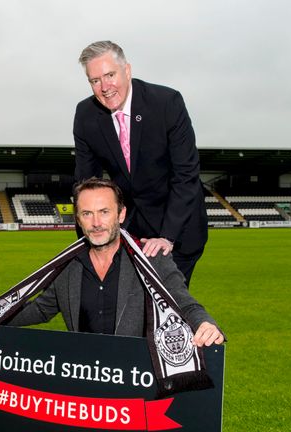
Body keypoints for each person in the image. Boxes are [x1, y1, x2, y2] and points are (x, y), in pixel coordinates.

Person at [0, 178, 223, 347]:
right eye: (87, 214)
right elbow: (39, 310)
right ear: (78, 220)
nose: (96, 223)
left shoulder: (152, 257)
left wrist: (205, 324)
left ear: (121, 214)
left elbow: (183, 301)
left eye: (104, 212)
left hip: (138, 381)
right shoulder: (67, 266)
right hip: (87, 380)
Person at [73, 40, 208, 287]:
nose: (105, 87)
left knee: (165, 311)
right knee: (126, 310)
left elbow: (186, 174)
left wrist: (167, 237)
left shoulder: (167, 102)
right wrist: (87, 241)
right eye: (95, 81)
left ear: (127, 70)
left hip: (179, 228)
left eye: (110, 75)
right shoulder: (85, 115)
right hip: (132, 229)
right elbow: (86, 185)